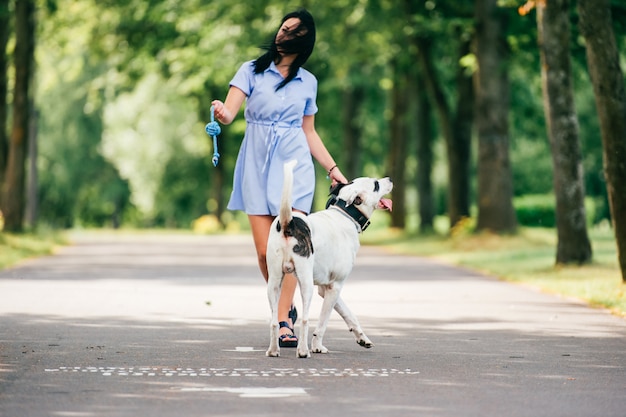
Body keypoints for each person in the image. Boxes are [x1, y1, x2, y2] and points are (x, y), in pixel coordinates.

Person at [211, 8, 347, 347]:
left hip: (294, 168)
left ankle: (284, 318)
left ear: (303, 42)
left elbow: (310, 133)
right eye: (282, 28)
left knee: (293, 247)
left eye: (291, 31)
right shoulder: (251, 71)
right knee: (264, 252)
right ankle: (286, 310)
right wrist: (221, 113)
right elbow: (229, 113)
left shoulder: (308, 82)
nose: (281, 34)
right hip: (256, 163)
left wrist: (333, 169)